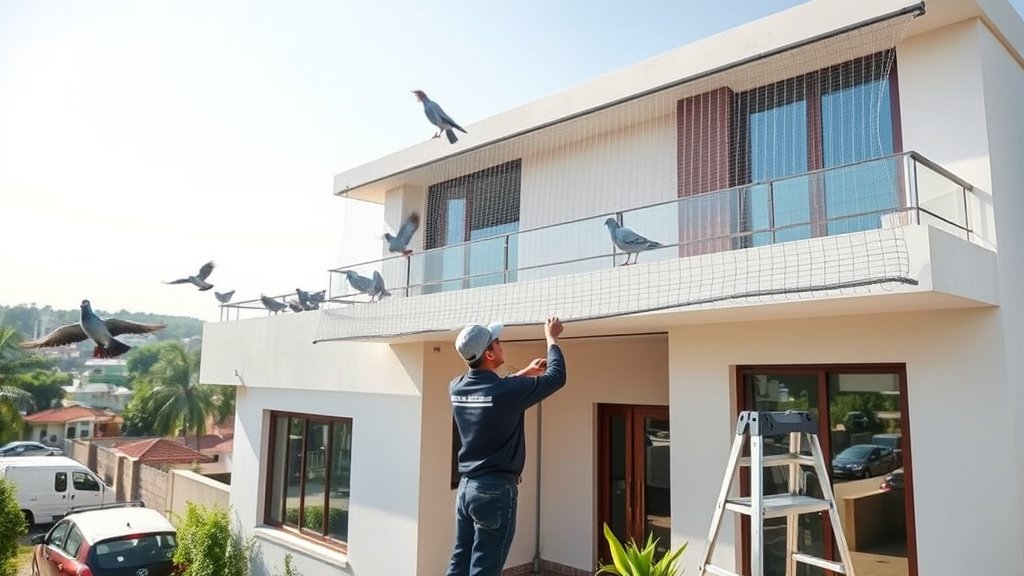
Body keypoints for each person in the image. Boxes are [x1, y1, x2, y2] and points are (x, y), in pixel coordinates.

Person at [446, 316, 566, 576]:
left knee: (460, 563)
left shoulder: (456, 388)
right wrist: (552, 338)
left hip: (466, 491)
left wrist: (524, 373)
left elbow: (493, 393)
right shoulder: (506, 393)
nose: (501, 344)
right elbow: (557, 377)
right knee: (485, 569)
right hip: (495, 493)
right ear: (489, 353)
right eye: (497, 341)